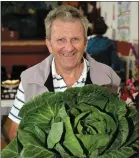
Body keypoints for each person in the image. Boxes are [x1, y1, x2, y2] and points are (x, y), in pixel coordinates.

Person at [5, 5, 121, 141]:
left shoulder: (109, 78)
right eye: (61, 40)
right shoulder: (30, 80)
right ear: (49, 45)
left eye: (75, 39)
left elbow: (118, 133)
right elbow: (15, 134)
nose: (69, 47)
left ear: (85, 43)